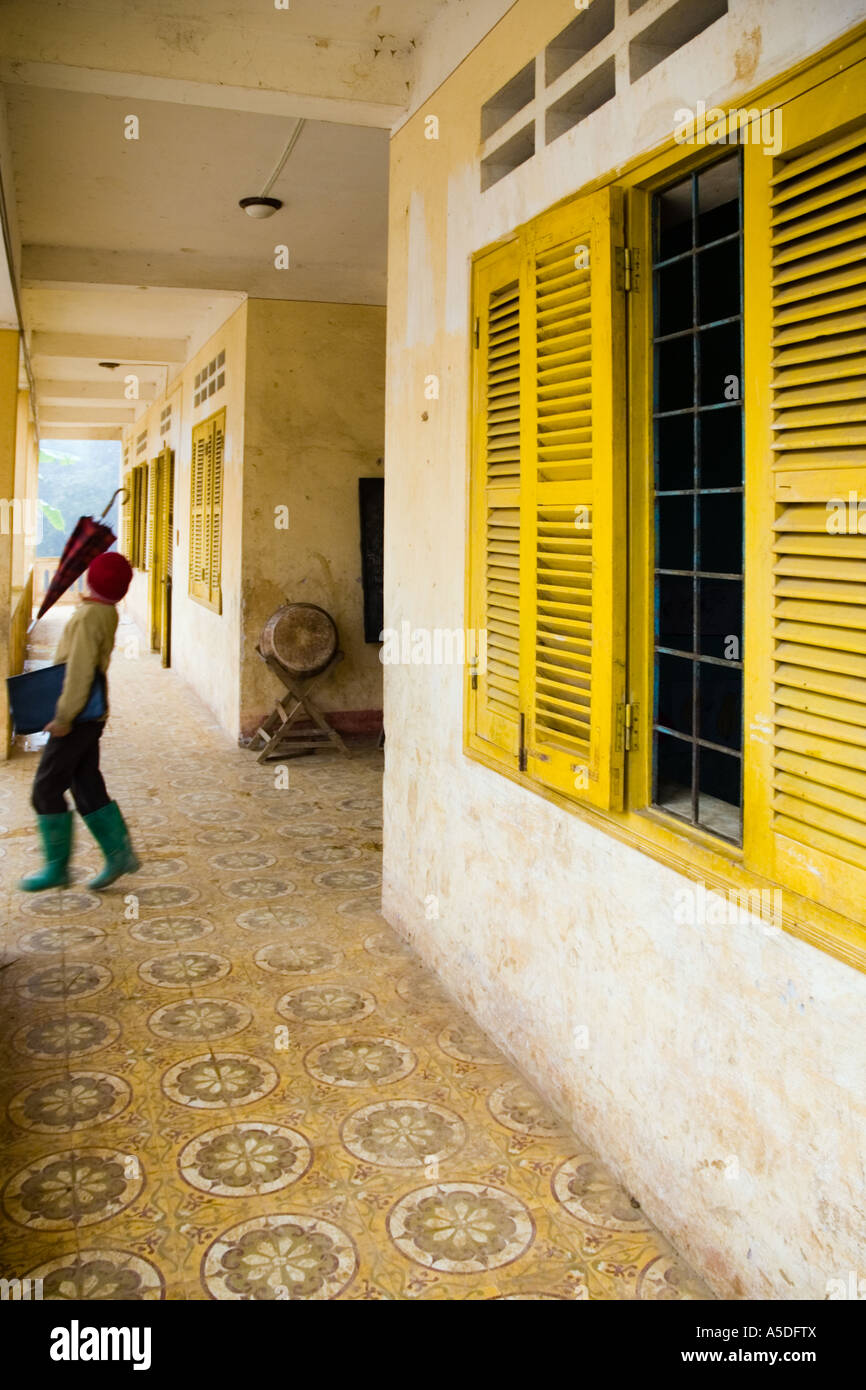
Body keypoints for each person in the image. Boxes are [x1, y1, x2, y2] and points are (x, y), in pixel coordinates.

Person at [18, 550, 140, 892]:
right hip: (93, 715)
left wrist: (63, 717)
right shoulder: (105, 612)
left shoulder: (89, 615)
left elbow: (79, 672)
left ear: (93, 579)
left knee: (45, 788)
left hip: (79, 716)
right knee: (86, 784)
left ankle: (57, 868)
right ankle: (120, 855)